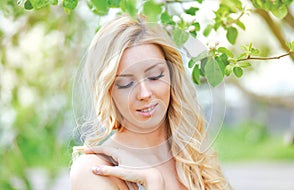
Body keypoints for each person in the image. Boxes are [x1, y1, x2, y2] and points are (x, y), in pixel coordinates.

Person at [70, 14, 232, 190]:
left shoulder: (192, 154)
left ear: (171, 75)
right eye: (126, 84)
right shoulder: (95, 171)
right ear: (108, 91)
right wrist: (154, 183)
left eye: (155, 76)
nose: (144, 94)